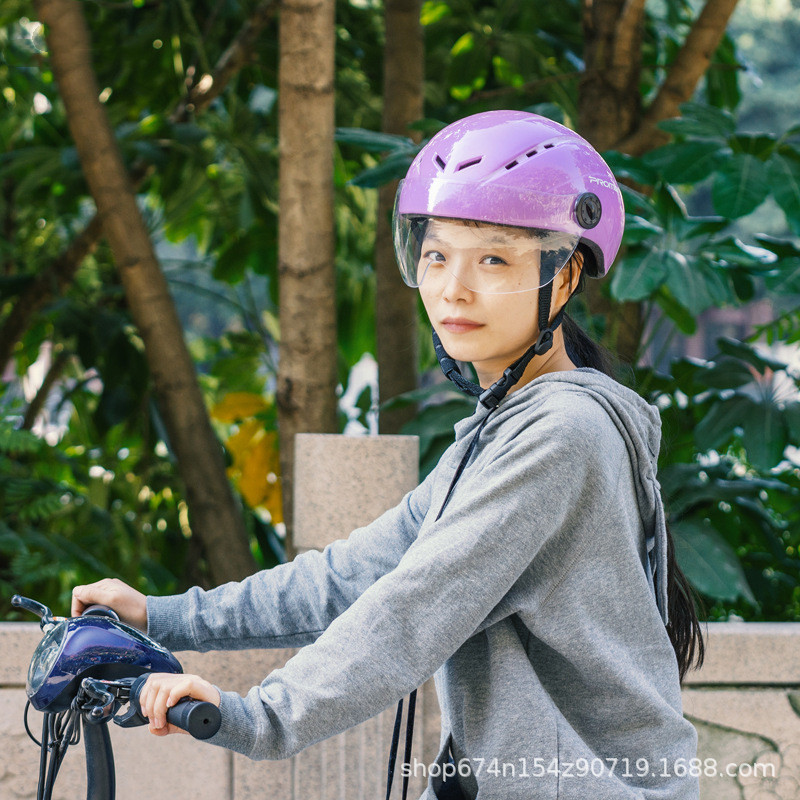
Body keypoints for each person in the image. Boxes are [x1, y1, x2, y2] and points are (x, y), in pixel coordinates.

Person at [72, 110, 706, 800]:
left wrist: (259, 716)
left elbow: (413, 607)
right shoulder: (501, 431)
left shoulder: (561, 437)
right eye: (436, 255)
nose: (452, 288)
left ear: (564, 277)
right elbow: (350, 576)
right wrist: (160, 616)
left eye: (493, 258)